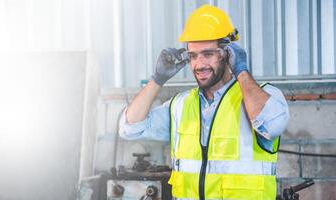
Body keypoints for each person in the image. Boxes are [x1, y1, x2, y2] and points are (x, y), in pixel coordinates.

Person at [119, 4, 289, 200]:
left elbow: (273, 125)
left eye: (208, 54)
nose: (199, 65)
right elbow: (129, 128)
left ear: (228, 53)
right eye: (193, 56)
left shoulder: (263, 96)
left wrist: (241, 71)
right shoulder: (180, 106)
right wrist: (157, 79)